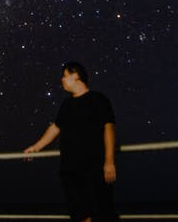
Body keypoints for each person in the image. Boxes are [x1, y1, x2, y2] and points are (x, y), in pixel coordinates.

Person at [23, 62, 117, 222]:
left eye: (65, 76)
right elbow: (55, 128)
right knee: (79, 214)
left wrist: (109, 160)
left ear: (76, 76)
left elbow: (109, 128)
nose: (62, 80)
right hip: (70, 170)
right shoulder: (66, 105)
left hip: (93, 167)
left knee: (100, 212)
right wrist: (35, 147)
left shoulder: (98, 99)